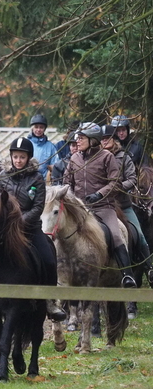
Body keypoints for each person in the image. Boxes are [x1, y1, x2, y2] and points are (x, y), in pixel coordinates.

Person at [0, 137, 66, 320]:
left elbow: (37, 208)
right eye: (15, 157)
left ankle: (50, 302)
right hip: (3, 230)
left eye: (22, 157)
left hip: (28, 229)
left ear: (28, 158)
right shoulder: (2, 177)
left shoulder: (37, 179)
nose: (18, 160)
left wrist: (17, 221)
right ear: (11, 157)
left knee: (48, 258)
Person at [63, 122, 137, 288]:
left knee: (117, 235)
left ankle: (127, 275)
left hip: (104, 207)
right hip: (81, 209)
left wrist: (99, 194)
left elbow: (115, 182)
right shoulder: (74, 158)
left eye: (81, 138)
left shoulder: (107, 157)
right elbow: (67, 182)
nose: (77, 141)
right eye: (77, 138)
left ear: (93, 139)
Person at [101, 125, 153, 287]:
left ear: (114, 139)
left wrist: (117, 187)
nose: (104, 142)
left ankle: (150, 268)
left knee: (139, 234)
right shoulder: (96, 157)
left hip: (123, 205)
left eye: (107, 138)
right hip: (103, 206)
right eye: (102, 139)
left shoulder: (124, 157)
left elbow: (131, 179)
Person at [27, 114, 59, 179]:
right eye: (36, 127)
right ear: (32, 128)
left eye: (41, 127)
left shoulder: (51, 147)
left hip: (43, 181)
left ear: (44, 129)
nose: (38, 130)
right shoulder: (26, 143)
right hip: (27, 179)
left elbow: (55, 165)